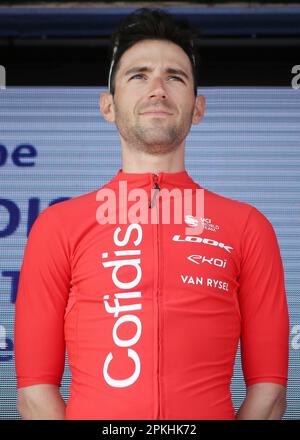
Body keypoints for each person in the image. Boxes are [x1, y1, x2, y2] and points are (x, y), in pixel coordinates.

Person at [14, 8, 289, 420]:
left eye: (175, 77)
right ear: (108, 106)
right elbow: (35, 394)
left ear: (198, 108)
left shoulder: (248, 227)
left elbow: (268, 394)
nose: (158, 90)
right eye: (138, 75)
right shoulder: (58, 226)